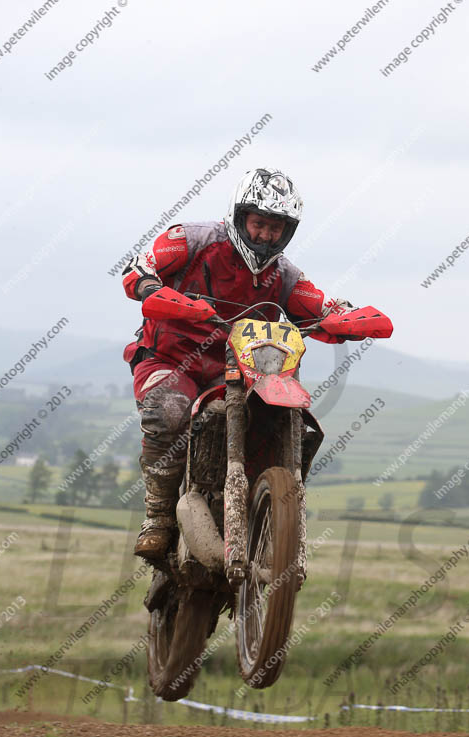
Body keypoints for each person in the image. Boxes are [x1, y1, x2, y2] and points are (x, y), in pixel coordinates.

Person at [122, 167, 352, 562]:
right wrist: (156, 291)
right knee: (171, 412)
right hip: (170, 359)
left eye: (275, 228)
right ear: (241, 216)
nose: (265, 235)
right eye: (259, 223)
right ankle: (158, 516)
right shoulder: (190, 241)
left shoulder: (285, 275)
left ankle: (270, 511)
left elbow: (319, 305)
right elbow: (138, 270)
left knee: (296, 423)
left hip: (238, 370)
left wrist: (348, 316)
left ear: (287, 231)